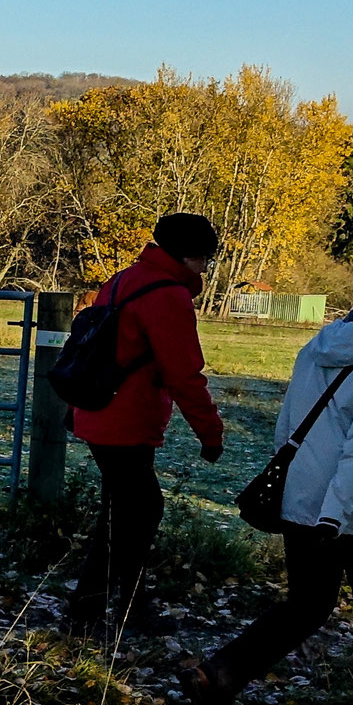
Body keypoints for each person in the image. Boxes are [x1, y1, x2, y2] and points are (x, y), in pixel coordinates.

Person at [179, 249, 353, 705]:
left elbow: (292, 424)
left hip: (301, 495)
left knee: (307, 605)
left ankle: (221, 675)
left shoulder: (318, 343)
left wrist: (306, 494)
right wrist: (335, 516)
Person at [65, 212, 226, 639]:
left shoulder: (122, 279)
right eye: (205, 259)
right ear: (188, 256)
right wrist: (211, 434)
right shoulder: (167, 295)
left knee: (124, 511)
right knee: (138, 511)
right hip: (125, 419)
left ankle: (95, 608)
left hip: (96, 411)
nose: (206, 268)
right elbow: (184, 374)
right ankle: (118, 611)